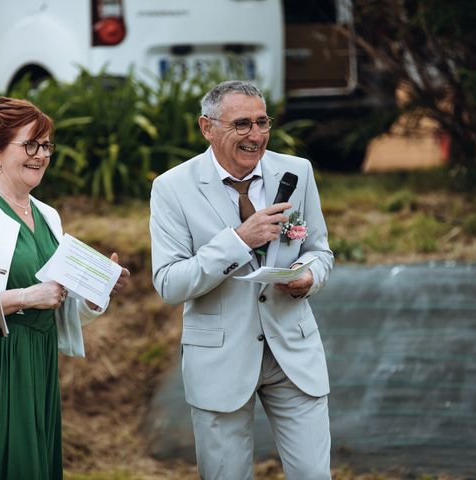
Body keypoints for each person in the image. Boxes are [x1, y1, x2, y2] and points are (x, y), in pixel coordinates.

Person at [0, 96, 130, 479]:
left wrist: (95, 290)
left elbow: (58, 297)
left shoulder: (48, 214)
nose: (41, 155)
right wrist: (26, 298)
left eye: (46, 145)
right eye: (30, 144)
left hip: (35, 358)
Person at [149, 81, 333, 479]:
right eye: (242, 124)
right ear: (206, 127)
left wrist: (309, 277)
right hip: (218, 358)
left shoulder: (297, 171)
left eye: (262, 122)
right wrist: (237, 241)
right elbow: (169, 283)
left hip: (293, 352)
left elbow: (320, 250)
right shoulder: (171, 188)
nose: (256, 135)